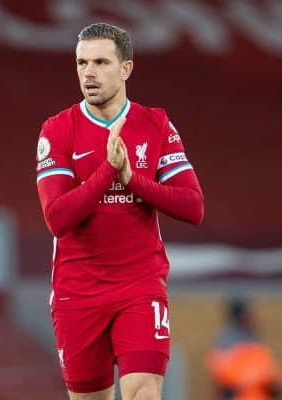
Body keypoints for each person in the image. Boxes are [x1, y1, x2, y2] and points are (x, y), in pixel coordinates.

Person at [35, 22, 204, 400]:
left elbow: (193, 206)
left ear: (125, 69)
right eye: (81, 63)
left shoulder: (155, 124)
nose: (88, 73)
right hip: (77, 291)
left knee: (143, 391)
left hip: (140, 285)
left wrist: (133, 180)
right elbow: (57, 218)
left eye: (100, 62)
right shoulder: (58, 130)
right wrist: (109, 171)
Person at [205, 297, 282, 400]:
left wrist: (273, 383)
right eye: (248, 313)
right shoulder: (227, 342)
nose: (253, 317)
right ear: (238, 316)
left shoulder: (255, 339)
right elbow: (225, 378)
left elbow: (272, 377)